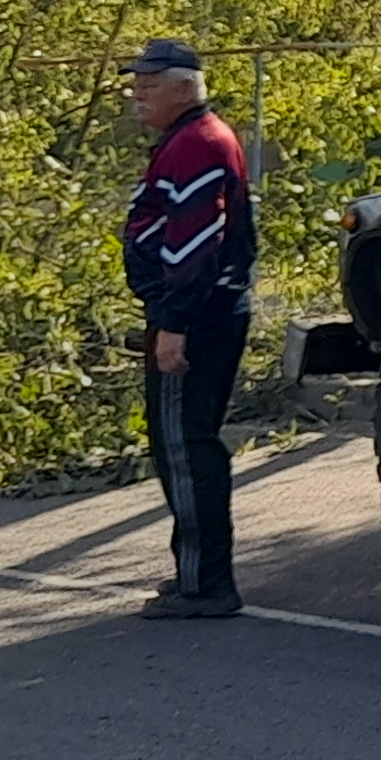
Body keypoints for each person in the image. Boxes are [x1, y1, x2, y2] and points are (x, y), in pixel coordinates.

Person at [120, 36, 257, 620]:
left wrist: (172, 323)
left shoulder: (197, 145)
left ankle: (207, 583)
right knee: (181, 439)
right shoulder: (187, 140)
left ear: (184, 88)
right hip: (199, 310)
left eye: (149, 85)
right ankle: (194, 572)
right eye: (135, 84)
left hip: (196, 316)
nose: (137, 95)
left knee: (184, 444)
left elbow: (195, 245)